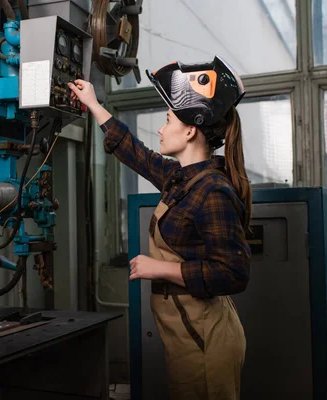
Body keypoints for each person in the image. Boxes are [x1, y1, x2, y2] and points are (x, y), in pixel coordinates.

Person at [68, 56, 252, 400]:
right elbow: (134, 151)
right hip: (186, 333)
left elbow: (233, 274)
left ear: (189, 130)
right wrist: (94, 104)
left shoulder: (213, 191)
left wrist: (162, 269)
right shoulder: (180, 178)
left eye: (167, 120)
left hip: (207, 338)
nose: (160, 129)